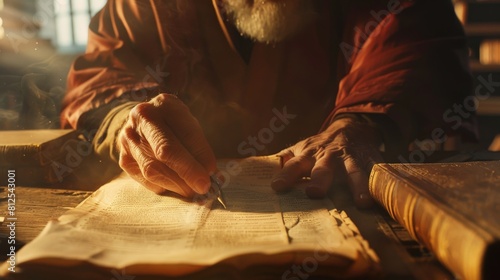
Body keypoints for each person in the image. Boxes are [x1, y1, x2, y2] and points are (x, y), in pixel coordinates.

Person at [61, 0, 476, 208]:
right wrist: (130, 123)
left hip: (340, 205)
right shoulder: (145, 5)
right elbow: (105, 69)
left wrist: (358, 125)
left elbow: (418, 42)